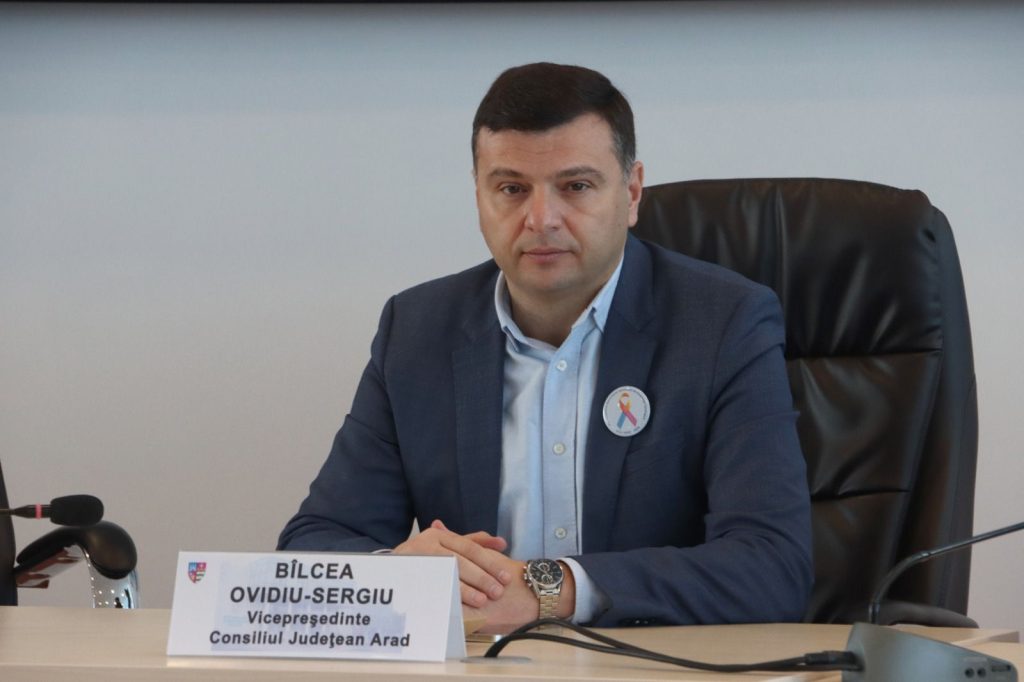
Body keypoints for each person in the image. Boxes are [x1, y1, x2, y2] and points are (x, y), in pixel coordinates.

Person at [278, 62, 812, 633]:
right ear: (479, 196)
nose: (541, 219)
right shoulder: (417, 330)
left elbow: (772, 567)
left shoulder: (724, 323)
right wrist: (398, 573)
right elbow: (312, 547)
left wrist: (548, 591)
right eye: (511, 189)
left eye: (575, 186)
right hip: (483, 666)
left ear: (632, 193)